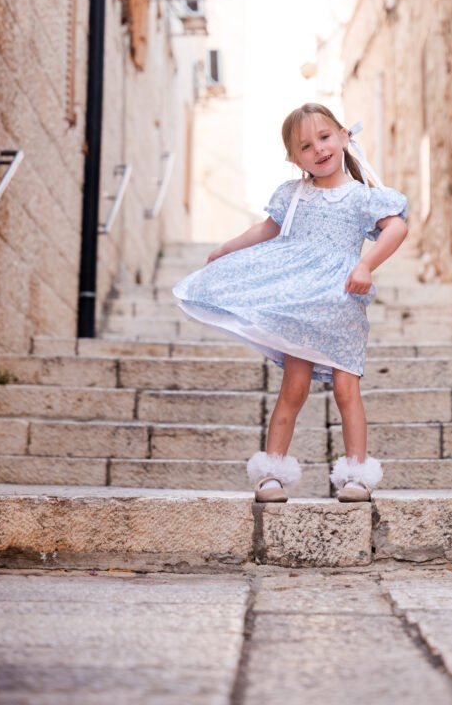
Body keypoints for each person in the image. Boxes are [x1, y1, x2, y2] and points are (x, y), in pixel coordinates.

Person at [173, 102, 409, 503]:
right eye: (305, 146)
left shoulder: (363, 197)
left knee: (346, 387)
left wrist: (366, 264)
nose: (318, 149)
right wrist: (227, 248)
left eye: (324, 137)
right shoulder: (293, 195)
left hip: (339, 302)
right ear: (293, 157)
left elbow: (397, 228)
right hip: (298, 305)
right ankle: (271, 472)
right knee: (293, 387)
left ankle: (356, 474)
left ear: (343, 136)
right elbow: (265, 229)